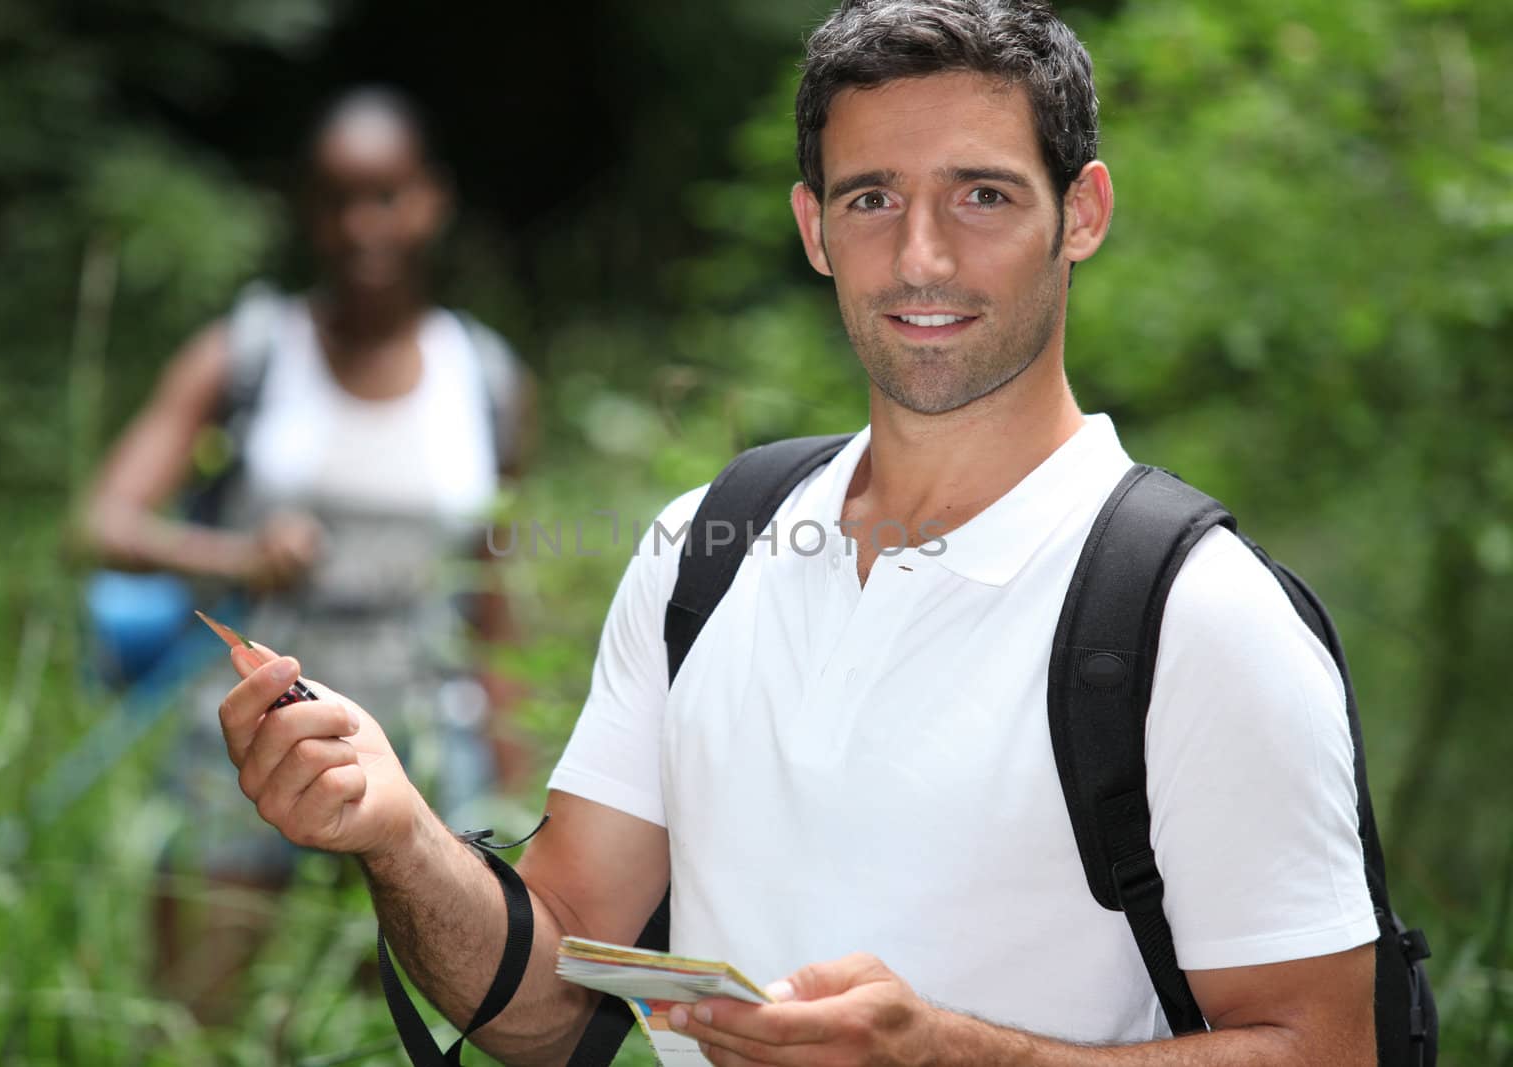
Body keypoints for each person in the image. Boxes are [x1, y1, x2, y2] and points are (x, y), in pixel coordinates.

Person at [216, 2, 1381, 1063]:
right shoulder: (706, 549)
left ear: (1081, 212)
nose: (921, 257)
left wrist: (945, 1054)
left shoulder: (1197, 614)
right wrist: (397, 828)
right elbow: (550, 992)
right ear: (814, 227)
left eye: (982, 194)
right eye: (872, 198)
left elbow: (1328, 1049)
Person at [80, 86, 533, 1017]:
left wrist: (510, 763)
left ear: (432, 200)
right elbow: (100, 524)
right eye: (336, 197)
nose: (363, 224)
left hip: (419, 735)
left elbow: (490, 588)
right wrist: (238, 555)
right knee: (196, 1015)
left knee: (397, 1014)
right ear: (305, 208)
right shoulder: (248, 352)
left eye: (388, 195)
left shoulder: (484, 377)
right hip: (245, 730)